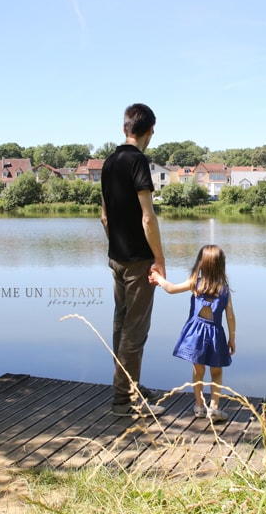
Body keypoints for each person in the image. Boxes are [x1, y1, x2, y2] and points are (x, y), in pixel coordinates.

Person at [101, 103, 166, 418]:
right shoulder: (138, 161)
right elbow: (148, 218)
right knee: (135, 331)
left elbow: (104, 217)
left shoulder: (110, 162)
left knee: (121, 326)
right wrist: (160, 259)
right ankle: (123, 402)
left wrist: (116, 248)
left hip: (116, 258)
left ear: (125, 127)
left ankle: (130, 386)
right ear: (150, 130)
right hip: (139, 260)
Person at [151, 245, 236, 423]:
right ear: (221, 266)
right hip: (216, 336)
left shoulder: (194, 284)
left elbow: (171, 288)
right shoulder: (224, 290)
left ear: (201, 264)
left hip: (195, 334)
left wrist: (158, 277)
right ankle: (213, 408)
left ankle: (199, 406)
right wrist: (232, 339)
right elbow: (230, 316)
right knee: (217, 372)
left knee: (198, 371)